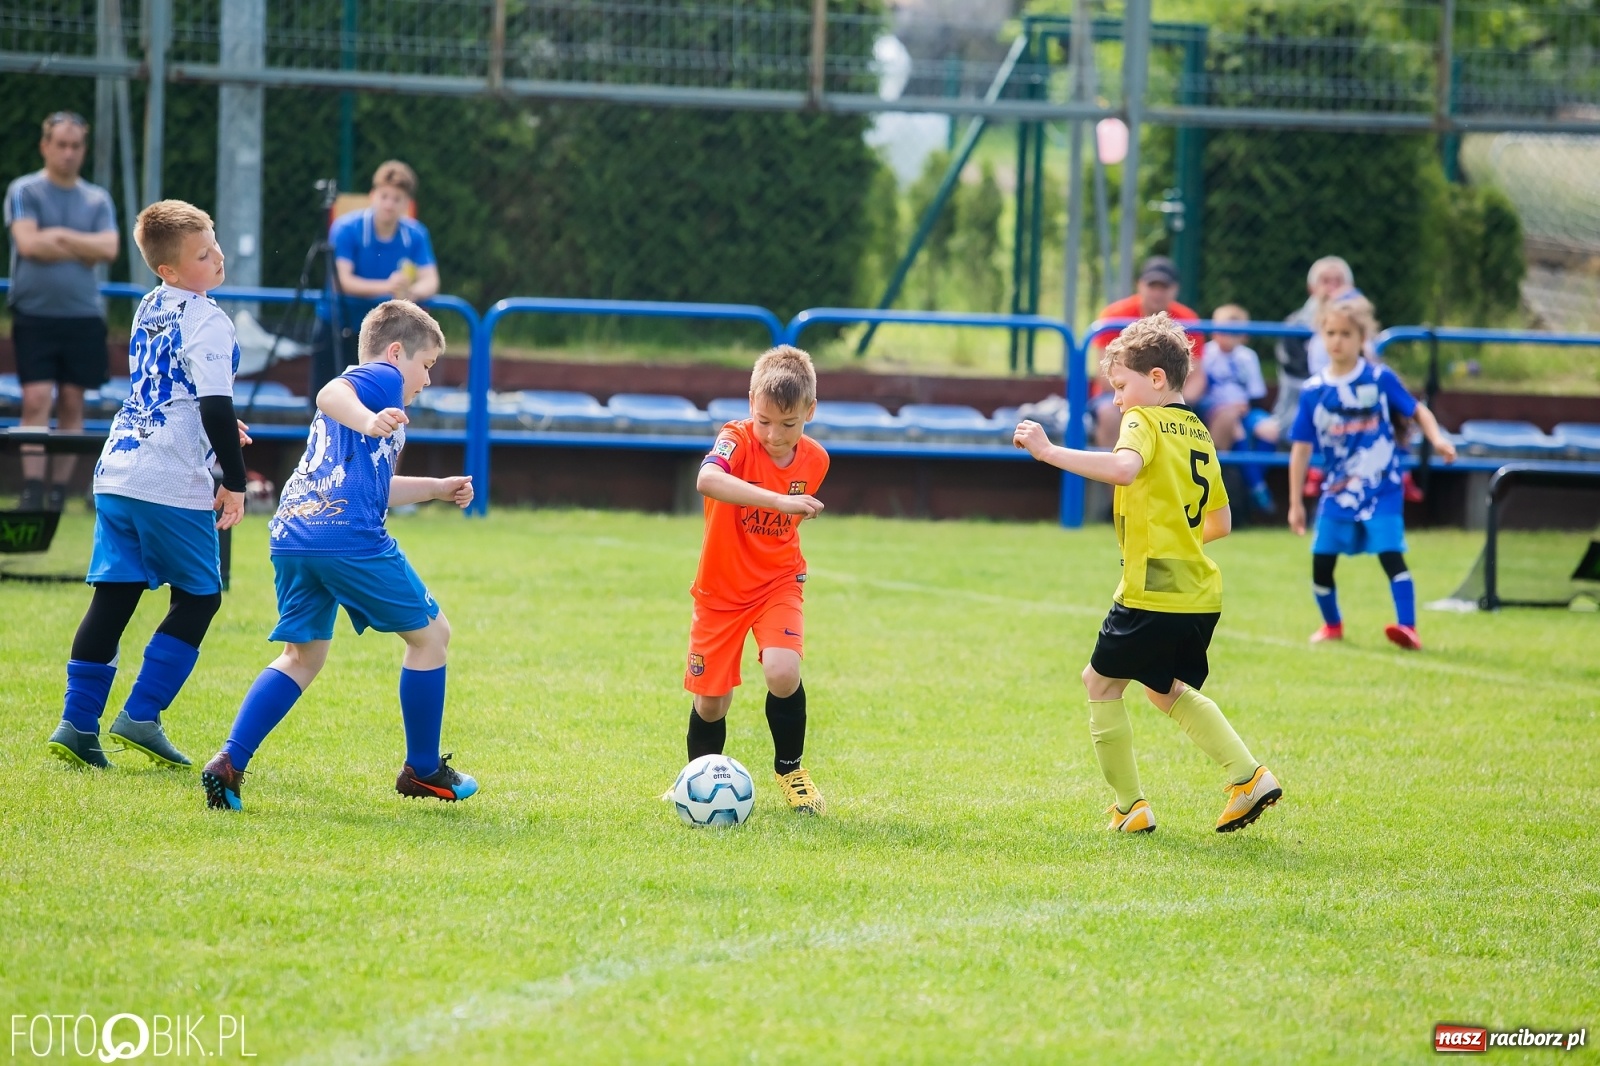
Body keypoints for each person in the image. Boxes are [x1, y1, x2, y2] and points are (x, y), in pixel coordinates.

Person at [1014, 313, 1282, 835]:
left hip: (1152, 590)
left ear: (1155, 379)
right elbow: (1221, 522)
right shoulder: (1199, 430)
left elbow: (1123, 469)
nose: (1117, 401)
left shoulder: (1145, 421)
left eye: (1121, 387)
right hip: (1199, 591)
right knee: (1164, 689)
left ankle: (1130, 806)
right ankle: (1247, 776)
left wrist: (1047, 451)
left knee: (1099, 683)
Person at [201, 300, 475, 811]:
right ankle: (422, 768)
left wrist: (436, 488)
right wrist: (371, 420)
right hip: (346, 537)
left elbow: (373, 486)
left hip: (294, 532)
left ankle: (229, 763)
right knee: (432, 637)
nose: (427, 381)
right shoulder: (379, 379)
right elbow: (332, 391)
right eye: (427, 366)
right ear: (396, 352)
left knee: (302, 656)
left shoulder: (378, 404)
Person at [45, 200, 249, 770]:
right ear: (171, 270)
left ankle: (76, 725)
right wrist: (234, 481)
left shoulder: (150, 306)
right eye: (203, 254)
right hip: (166, 481)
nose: (217, 257)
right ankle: (142, 715)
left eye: (214, 244)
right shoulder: (209, 319)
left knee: (114, 596)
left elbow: (171, 390)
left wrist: (216, 430)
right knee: (200, 597)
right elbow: (211, 403)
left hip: (118, 470)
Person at [677, 344, 831, 814]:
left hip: (777, 583)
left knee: (783, 672)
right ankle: (695, 781)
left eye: (788, 424)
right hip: (720, 590)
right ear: (750, 404)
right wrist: (778, 500)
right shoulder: (736, 440)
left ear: (810, 411)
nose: (774, 434)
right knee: (711, 705)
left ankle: (791, 772)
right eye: (764, 420)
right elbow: (707, 479)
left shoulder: (816, 461)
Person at [1287, 296, 1457, 650]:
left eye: (1346, 333)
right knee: (1321, 562)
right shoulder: (1313, 391)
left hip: (1382, 487)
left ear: (1361, 337)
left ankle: (1408, 628)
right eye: (1330, 332)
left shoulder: (1379, 378)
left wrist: (1438, 439)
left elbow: (1417, 411)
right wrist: (1295, 502)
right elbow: (1301, 448)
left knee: (1390, 553)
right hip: (1337, 490)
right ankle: (1332, 625)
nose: (1337, 340)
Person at [5, 111, 119, 511]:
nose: (68, 153)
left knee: (73, 401)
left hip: (83, 317)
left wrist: (57, 235)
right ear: (45, 146)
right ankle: (33, 488)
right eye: (61, 145)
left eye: (75, 146)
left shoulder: (97, 198)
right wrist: (80, 246)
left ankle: (58, 492)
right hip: (35, 315)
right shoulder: (25, 191)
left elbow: (108, 249)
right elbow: (29, 244)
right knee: (36, 399)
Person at [312, 160, 439, 393]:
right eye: (384, 196)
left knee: (383, 401)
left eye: (397, 198)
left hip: (386, 334)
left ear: (407, 204)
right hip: (340, 325)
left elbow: (431, 280)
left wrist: (411, 293)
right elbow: (342, 282)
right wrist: (389, 287)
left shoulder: (416, 234)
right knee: (328, 397)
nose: (389, 204)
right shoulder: (346, 228)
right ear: (373, 195)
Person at [1088, 256, 1203, 448]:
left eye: (1164, 287)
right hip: (1121, 394)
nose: (1157, 293)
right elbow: (1104, 376)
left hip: (1170, 395)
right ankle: (1110, 475)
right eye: (1152, 286)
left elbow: (1197, 376)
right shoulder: (1113, 315)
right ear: (1139, 285)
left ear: (1175, 289)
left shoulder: (1189, 320)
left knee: (1218, 415)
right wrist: (1145, 399)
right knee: (1108, 413)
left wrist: (1176, 403)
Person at [1196, 304, 1277, 515]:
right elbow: (1199, 391)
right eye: (1224, 330)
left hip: (1245, 410)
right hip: (1217, 412)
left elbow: (1255, 395)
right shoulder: (1205, 354)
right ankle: (1258, 490)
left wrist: (1244, 408)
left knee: (1271, 429)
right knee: (1235, 427)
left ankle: (1254, 482)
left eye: (1234, 332)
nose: (1228, 337)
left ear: (1243, 335)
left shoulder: (1248, 357)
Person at [1274, 256, 1354, 438]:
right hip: (1300, 409)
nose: (1332, 287)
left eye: (1338, 281)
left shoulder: (1361, 329)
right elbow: (1298, 377)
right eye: (1326, 281)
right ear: (1312, 288)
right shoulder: (1293, 326)